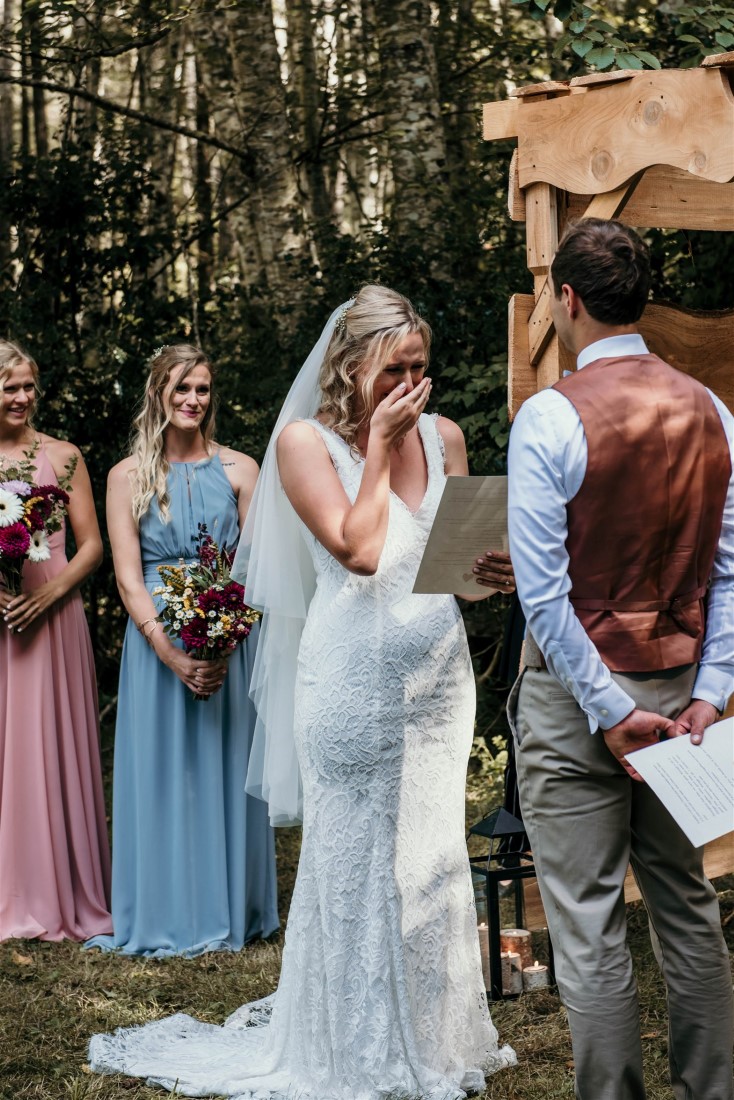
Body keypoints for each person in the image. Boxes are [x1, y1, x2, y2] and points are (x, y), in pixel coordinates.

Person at [89, 287, 516, 1096]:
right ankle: (354, 1048)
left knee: (430, 852)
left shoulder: (448, 436)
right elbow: (360, 550)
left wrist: (492, 574)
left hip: (437, 684)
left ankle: (437, 1036)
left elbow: (460, 578)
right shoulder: (301, 445)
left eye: (423, 368)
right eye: (396, 369)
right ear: (351, 366)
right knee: (354, 861)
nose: (413, 386)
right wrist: (383, 445)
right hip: (350, 680)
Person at [507, 218, 734, 1100]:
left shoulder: (551, 416)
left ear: (567, 300)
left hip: (577, 708)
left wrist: (607, 711)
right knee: (686, 905)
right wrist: (710, 696)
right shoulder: (714, 413)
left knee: (590, 923)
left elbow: (544, 596)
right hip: (682, 701)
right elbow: (728, 575)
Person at [86, 344, 278, 957]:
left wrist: (226, 639)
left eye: (201, 389)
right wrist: (170, 653)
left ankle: (233, 907)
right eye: (180, 390)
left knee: (226, 771)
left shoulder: (242, 471)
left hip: (228, 637)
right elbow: (127, 577)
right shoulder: (125, 477)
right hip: (156, 643)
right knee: (164, 775)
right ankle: (167, 909)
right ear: (158, 396)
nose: (192, 400)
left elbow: (258, 569)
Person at [0, 340, 112, 942]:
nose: (21, 398)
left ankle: (60, 888)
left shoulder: (64, 457)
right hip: (3, 621)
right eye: (9, 387)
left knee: (48, 741)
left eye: (28, 387)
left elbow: (92, 543)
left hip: (53, 613)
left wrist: (49, 595)